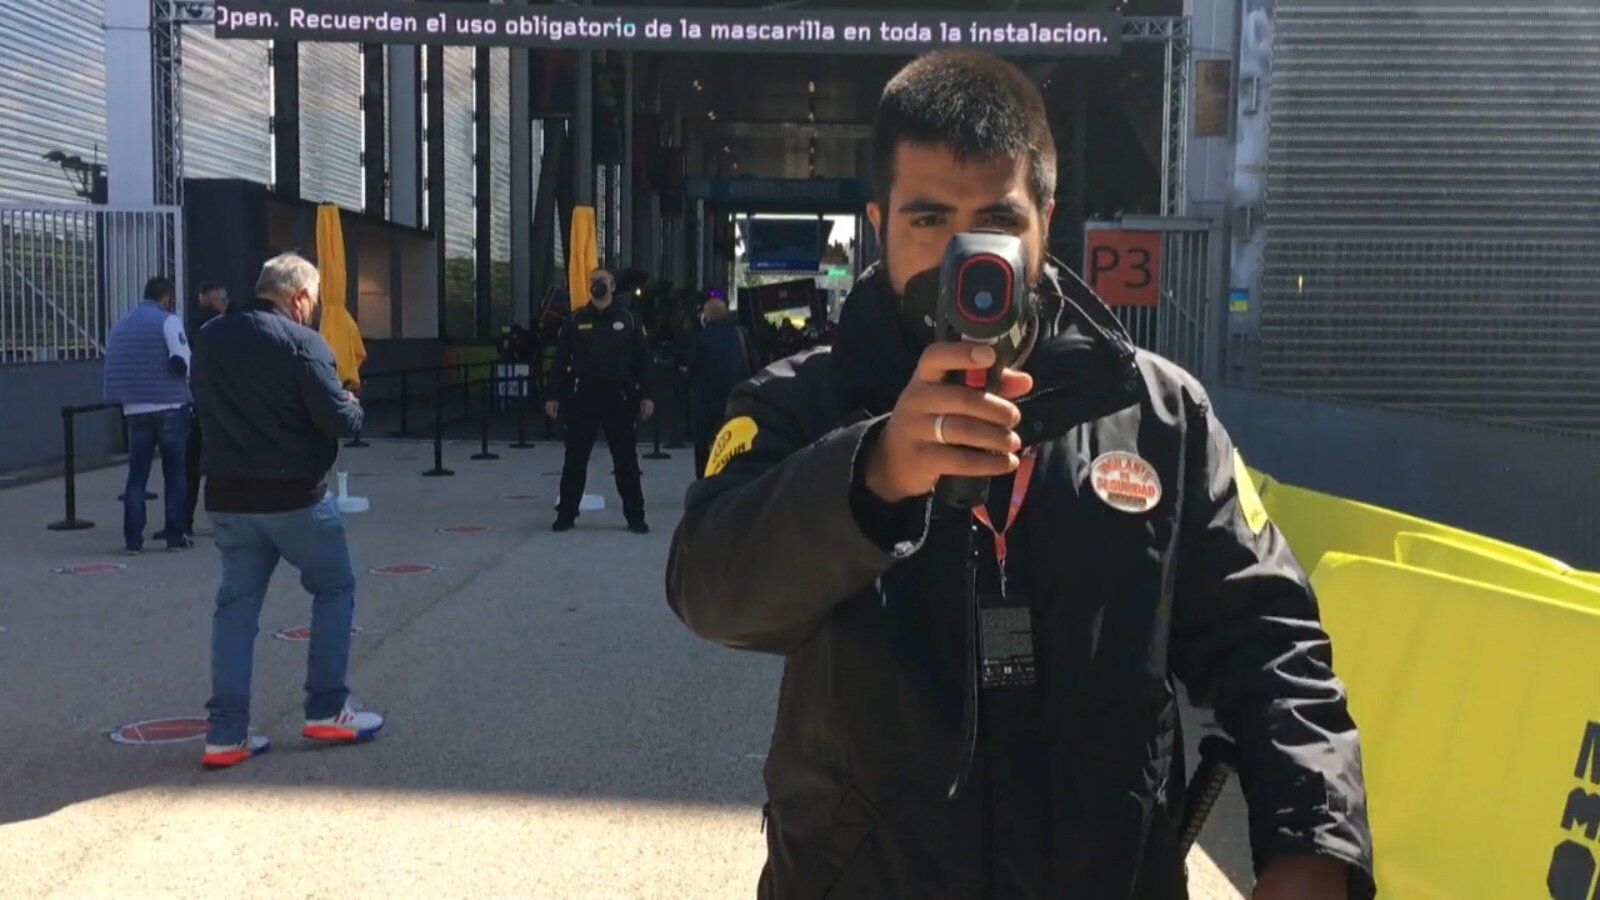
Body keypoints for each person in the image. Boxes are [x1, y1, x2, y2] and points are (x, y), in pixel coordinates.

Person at [667, 50, 1373, 898]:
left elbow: (1270, 639)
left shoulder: (1159, 415)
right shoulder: (801, 403)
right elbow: (711, 589)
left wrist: (1313, 847)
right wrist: (873, 474)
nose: (965, 257)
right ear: (877, 220)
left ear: (1045, 216)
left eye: (995, 221)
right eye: (928, 220)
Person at [189, 252, 384, 769]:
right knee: (334, 587)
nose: (314, 311)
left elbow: (201, 406)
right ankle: (327, 707)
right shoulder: (302, 342)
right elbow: (339, 420)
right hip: (295, 496)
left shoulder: (209, 337)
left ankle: (225, 732)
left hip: (229, 497)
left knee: (235, 610)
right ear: (298, 296)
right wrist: (352, 399)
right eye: (313, 301)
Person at [545, 267, 655, 534]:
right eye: (593, 281)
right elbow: (560, 362)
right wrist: (553, 395)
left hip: (619, 398)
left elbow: (644, 361)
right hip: (583, 398)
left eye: (602, 281)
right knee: (575, 460)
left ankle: (635, 516)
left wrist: (647, 396)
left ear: (613, 286)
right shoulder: (575, 320)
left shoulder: (628, 320)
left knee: (626, 460)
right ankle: (567, 514)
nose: (598, 285)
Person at [103, 276, 195, 554]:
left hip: (134, 409)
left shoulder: (121, 325)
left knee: (137, 476)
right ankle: (175, 536)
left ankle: (133, 541)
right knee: (175, 474)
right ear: (166, 298)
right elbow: (182, 360)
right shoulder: (168, 320)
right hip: (169, 407)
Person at [685, 297, 758, 476]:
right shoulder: (740, 335)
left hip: (707, 404)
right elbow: (755, 364)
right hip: (737, 400)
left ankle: (706, 479)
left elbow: (691, 369)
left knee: (705, 446)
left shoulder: (701, 338)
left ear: (706, 316)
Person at [184, 281, 231, 537]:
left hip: (199, 405)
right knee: (216, 467)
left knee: (191, 467)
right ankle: (222, 521)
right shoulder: (233, 330)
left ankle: (184, 520)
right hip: (217, 409)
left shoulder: (199, 331)